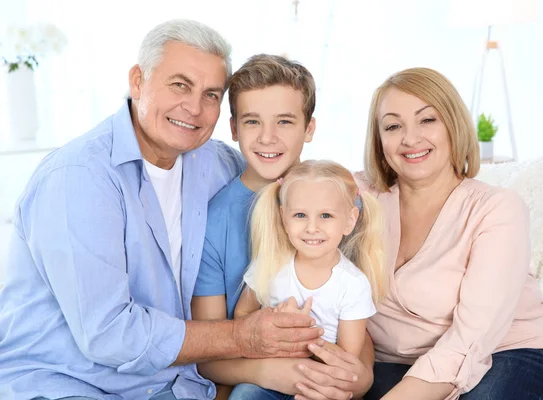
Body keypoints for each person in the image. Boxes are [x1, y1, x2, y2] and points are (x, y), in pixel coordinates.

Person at [0, 20, 325, 400]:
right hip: (69, 384)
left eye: (211, 95)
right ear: (138, 81)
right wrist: (242, 336)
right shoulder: (79, 178)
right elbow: (109, 335)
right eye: (179, 85)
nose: (194, 107)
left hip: (178, 384)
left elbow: (283, 172)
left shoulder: (217, 164)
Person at [357, 67, 543, 400]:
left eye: (427, 120)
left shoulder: (496, 208)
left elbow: (472, 340)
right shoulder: (359, 197)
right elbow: (292, 189)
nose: (410, 138)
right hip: (400, 366)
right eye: (393, 126)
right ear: (379, 140)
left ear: (453, 125)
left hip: (511, 356)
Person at [191, 55, 375, 400]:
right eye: (252, 121)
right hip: (255, 380)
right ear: (233, 128)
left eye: (285, 122)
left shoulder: (343, 204)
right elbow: (206, 353)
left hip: (328, 378)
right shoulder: (214, 222)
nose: (268, 137)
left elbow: (358, 323)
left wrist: (360, 378)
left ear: (309, 128)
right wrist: (268, 372)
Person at [231, 160, 389, 399]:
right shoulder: (270, 265)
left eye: (325, 215)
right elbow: (242, 317)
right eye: (300, 215)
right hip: (270, 378)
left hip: (319, 384)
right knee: (244, 394)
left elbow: (346, 359)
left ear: (349, 220)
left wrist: (303, 331)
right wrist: (274, 320)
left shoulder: (353, 285)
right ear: (284, 218)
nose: (311, 227)